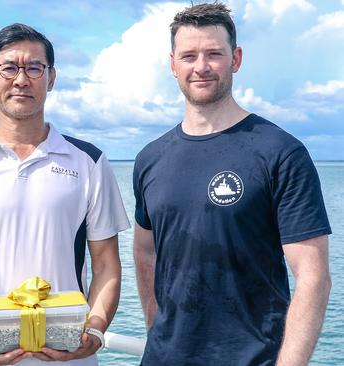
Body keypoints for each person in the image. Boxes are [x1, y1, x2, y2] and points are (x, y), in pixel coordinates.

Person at [132, 3, 332, 365]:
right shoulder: (150, 158)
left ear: (236, 59)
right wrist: (155, 329)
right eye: (189, 55)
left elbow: (313, 276)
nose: (201, 66)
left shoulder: (280, 152)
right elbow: (145, 250)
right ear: (172, 64)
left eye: (214, 54)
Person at [0, 23, 130, 366]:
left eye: (34, 68)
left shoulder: (89, 162)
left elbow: (107, 264)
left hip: (69, 358)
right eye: (9, 68)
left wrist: (94, 332)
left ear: (51, 78)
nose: (21, 79)